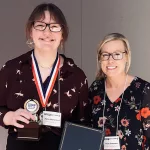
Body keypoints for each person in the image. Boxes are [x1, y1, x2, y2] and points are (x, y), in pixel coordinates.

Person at [0, 3, 89, 150]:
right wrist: (7, 117)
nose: (47, 33)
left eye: (54, 26)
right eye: (41, 25)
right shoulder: (12, 69)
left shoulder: (76, 76)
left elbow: (83, 123)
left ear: (62, 34)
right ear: (30, 31)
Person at [88, 33, 150, 149]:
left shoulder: (143, 90)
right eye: (105, 55)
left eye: (117, 54)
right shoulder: (96, 89)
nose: (110, 60)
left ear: (126, 57)